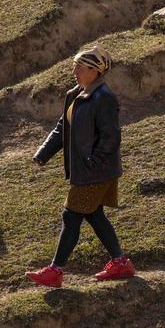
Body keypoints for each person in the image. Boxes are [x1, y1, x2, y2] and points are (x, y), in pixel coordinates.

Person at [25, 47, 136, 288]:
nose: (73, 71)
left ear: (94, 71)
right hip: (86, 170)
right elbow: (61, 129)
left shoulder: (103, 97)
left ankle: (55, 271)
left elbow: (111, 137)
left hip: (96, 171)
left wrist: (94, 161)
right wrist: (42, 154)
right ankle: (120, 262)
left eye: (79, 67)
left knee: (71, 214)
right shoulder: (76, 94)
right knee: (93, 214)